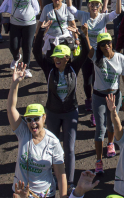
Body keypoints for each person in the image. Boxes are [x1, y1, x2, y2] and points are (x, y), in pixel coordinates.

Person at [7, 63, 67, 197]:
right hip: (21, 193)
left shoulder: (53, 142)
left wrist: (63, 196)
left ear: (44, 118)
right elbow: (11, 108)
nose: (32, 123)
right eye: (29, 119)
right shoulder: (23, 132)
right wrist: (15, 82)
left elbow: (60, 174)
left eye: (36, 118)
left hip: (44, 194)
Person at [39, 34, 89, 191]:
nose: (56, 59)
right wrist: (41, 32)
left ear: (67, 58)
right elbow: (35, 52)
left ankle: (70, 182)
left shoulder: (74, 68)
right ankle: (51, 178)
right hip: (53, 113)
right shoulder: (49, 69)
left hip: (70, 112)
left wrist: (81, 33)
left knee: (69, 149)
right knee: (51, 148)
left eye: (60, 57)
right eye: (55, 57)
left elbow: (86, 51)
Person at [88, 32, 124, 175]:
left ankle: (111, 143)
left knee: (112, 124)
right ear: (99, 47)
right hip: (99, 96)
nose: (106, 46)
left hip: (115, 96)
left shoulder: (120, 58)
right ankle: (99, 160)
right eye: (102, 44)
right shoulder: (96, 57)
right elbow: (87, 47)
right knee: (100, 129)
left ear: (112, 42)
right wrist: (84, 34)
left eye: (108, 42)